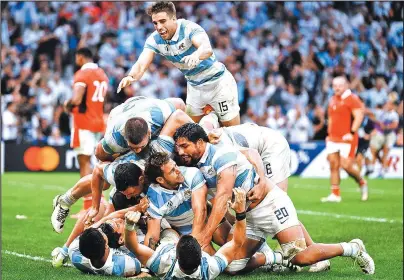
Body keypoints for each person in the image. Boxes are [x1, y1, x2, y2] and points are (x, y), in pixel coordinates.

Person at [173, 123, 375, 275]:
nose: (180, 152)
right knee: (233, 266)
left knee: (300, 256)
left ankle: (351, 248)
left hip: (271, 205)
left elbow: (223, 197)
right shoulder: (201, 160)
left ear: (200, 142)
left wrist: (203, 239)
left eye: (184, 146)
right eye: (178, 147)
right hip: (250, 216)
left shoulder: (220, 156)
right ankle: (274, 257)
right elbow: (249, 152)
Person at [206, 122, 330, 272]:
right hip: (257, 145)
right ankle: (270, 253)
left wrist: (262, 181)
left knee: (274, 204)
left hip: (270, 146)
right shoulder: (203, 143)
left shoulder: (215, 146)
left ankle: (315, 257)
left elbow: (251, 152)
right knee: (253, 209)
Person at [117, 1, 240, 127]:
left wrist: (196, 55)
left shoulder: (189, 28)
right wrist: (130, 76)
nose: (159, 26)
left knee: (232, 132)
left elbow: (206, 49)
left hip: (217, 83)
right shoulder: (154, 39)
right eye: (155, 23)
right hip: (195, 87)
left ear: (174, 18)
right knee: (190, 131)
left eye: (163, 21)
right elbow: (141, 64)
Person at [123, 188, 248, 279]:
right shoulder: (210, 268)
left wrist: (129, 225)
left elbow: (133, 246)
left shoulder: (162, 264)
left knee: (164, 228)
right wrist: (241, 212)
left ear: (175, 256)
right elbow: (237, 243)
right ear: (202, 255)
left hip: (168, 238)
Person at [143, 152, 230, 253]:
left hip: (206, 217)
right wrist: (148, 259)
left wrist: (194, 241)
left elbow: (200, 210)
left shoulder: (191, 173)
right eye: (172, 171)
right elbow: (152, 236)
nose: (178, 170)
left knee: (230, 246)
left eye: (175, 165)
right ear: (160, 179)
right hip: (184, 230)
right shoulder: (154, 198)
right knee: (212, 263)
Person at [63, 47, 109, 218]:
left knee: (84, 163)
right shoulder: (102, 74)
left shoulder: (82, 74)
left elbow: (76, 99)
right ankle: (100, 203)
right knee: (95, 163)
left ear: (80, 57)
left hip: (84, 122)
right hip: (98, 121)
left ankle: (88, 206)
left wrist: (66, 105)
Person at [94, 96, 187, 162]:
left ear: (149, 132)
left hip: (143, 103)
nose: (138, 150)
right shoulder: (114, 139)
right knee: (103, 171)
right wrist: (118, 162)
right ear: (125, 138)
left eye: (141, 146)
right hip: (119, 113)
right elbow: (99, 153)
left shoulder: (159, 114)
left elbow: (180, 104)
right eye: (133, 147)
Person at [321, 76, 368, 203]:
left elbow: (359, 116)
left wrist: (352, 132)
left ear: (346, 85)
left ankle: (362, 181)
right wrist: (328, 134)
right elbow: (330, 119)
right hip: (333, 138)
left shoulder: (353, 99)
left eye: (339, 85)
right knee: (333, 165)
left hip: (347, 138)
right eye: (334, 85)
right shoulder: (332, 99)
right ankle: (335, 194)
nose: (336, 88)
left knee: (346, 165)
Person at [367, 99, 399, 178]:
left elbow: (395, 125)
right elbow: (370, 114)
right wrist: (378, 122)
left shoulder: (394, 114)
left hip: (389, 135)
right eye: (386, 104)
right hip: (380, 133)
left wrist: (386, 126)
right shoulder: (381, 112)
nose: (386, 106)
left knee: (385, 152)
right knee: (373, 150)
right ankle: (372, 168)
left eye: (388, 104)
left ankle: (383, 171)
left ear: (392, 106)